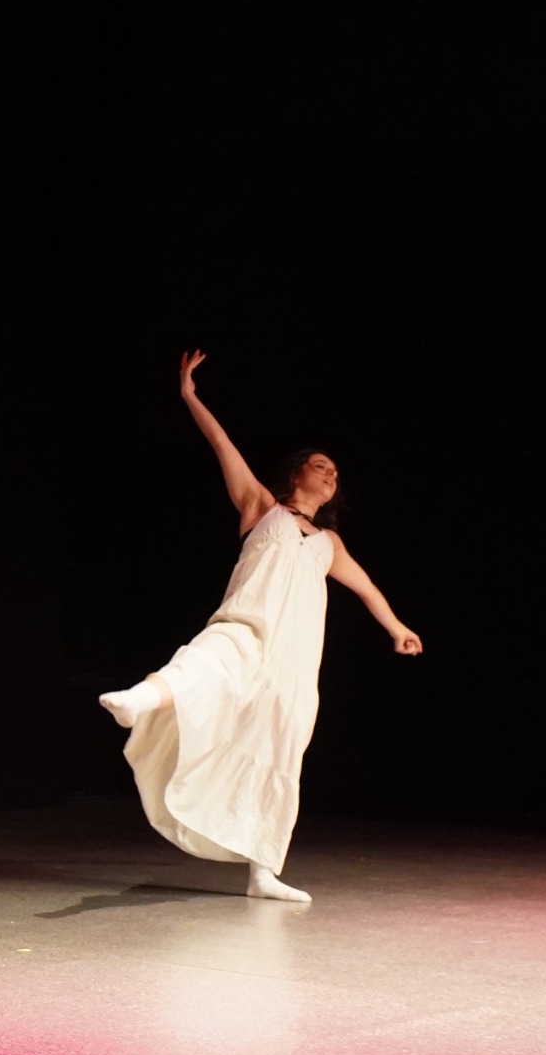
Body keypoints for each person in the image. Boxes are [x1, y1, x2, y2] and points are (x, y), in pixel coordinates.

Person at [98, 350, 422, 902]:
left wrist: (396, 627)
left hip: (293, 661)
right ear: (295, 473)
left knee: (278, 756)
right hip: (247, 628)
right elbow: (221, 442)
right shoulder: (261, 508)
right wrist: (189, 394)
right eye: (319, 465)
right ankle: (139, 699)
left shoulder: (329, 543)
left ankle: (263, 872)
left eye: (334, 472)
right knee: (207, 659)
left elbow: (367, 588)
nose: (330, 474)